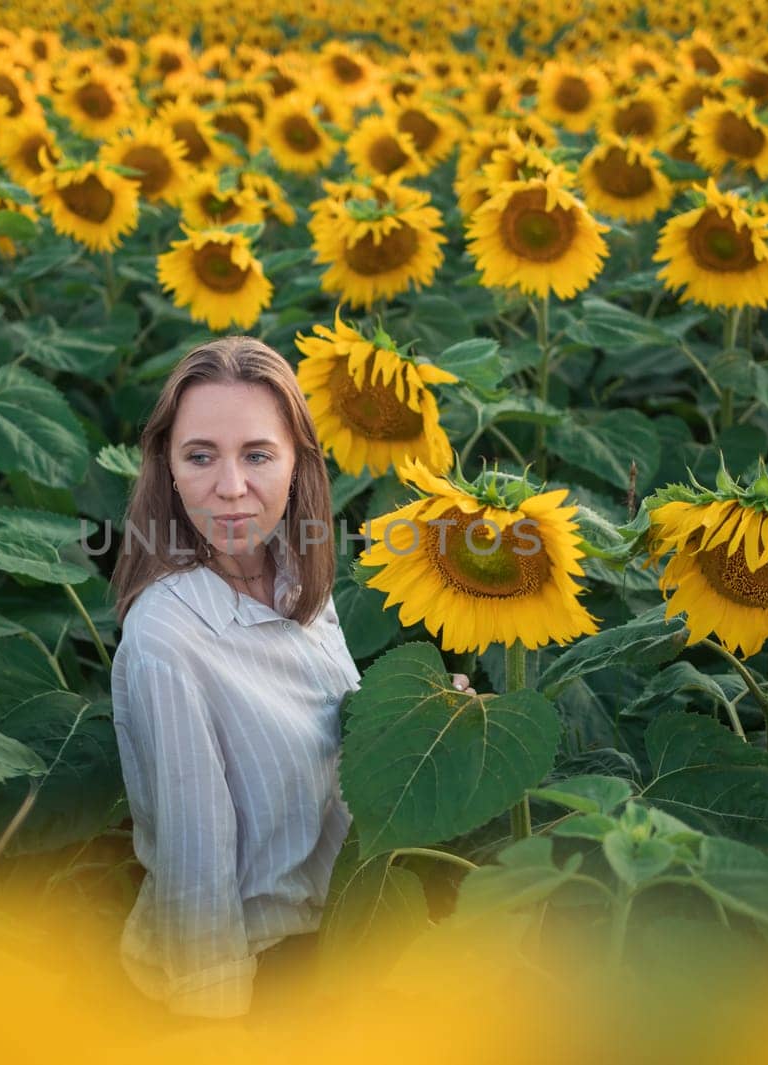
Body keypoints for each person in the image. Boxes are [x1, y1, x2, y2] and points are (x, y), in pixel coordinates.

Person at [108, 336, 471, 1019]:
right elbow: (197, 886)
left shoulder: (299, 583)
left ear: (299, 462)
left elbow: (330, 744)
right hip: (259, 981)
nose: (232, 487)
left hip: (348, 939)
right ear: (168, 470)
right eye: (200, 455)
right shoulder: (169, 639)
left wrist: (421, 723)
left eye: (257, 454)